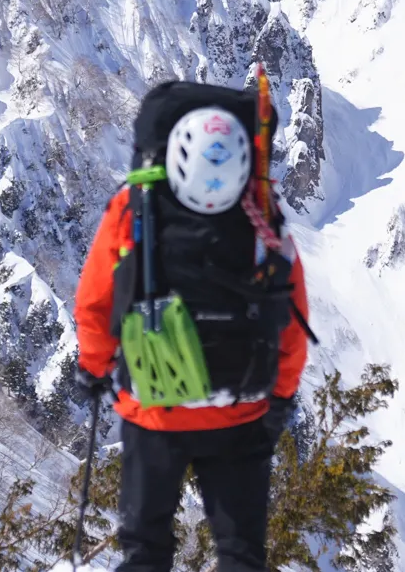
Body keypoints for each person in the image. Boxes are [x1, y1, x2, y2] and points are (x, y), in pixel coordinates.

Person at [73, 77, 311, 572]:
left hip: (153, 411)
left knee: (146, 550)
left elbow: (95, 302)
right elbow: (291, 318)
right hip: (241, 416)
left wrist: (94, 369)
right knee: (241, 554)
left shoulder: (132, 208)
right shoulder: (264, 217)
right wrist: (281, 398)